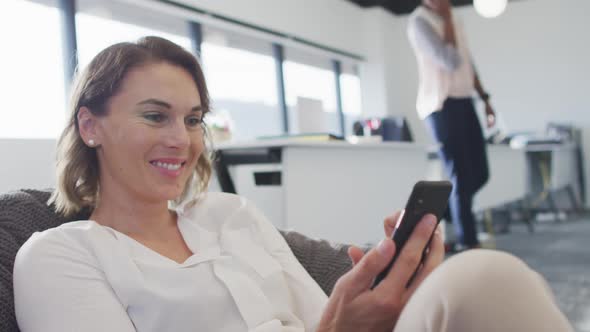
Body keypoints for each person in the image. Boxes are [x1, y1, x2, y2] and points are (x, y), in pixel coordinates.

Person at [13, 37, 572, 332]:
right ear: (90, 125)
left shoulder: (229, 216)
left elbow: (317, 316)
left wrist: (390, 295)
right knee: (485, 277)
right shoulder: (61, 256)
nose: (182, 140)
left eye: (192, 119)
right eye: (155, 117)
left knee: (483, 277)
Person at [407, 0, 495, 249]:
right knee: (461, 177)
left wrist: (485, 98)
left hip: (464, 101)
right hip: (441, 105)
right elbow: (450, 60)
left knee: (479, 173)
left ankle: (432, 219)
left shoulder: (453, 17)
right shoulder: (419, 22)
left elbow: (467, 62)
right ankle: (469, 243)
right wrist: (445, 20)